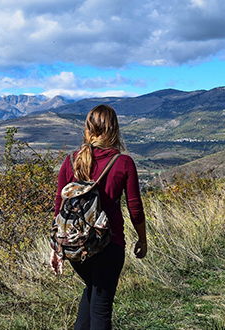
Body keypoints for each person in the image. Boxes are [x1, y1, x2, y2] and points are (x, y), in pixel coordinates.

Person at [50, 104, 147, 330]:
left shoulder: (71, 160)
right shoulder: (123, 163)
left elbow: (60, 207)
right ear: (114, 129)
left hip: (75, 245)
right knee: (101, 309)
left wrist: (56, 248)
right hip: (109, 245)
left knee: (92, 293)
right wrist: (142, 239)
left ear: (87, 128)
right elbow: (135, 208)